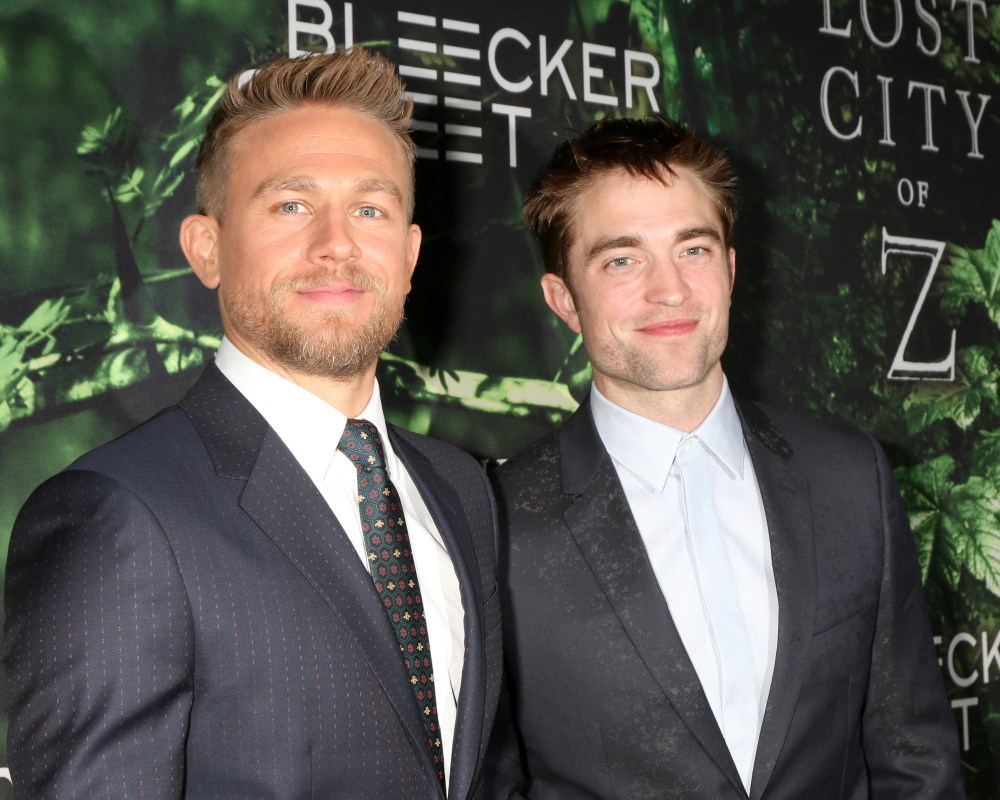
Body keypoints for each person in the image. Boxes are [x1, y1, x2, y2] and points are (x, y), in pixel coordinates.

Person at [3, 48, 509, 800]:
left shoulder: (460, 488)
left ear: (409, 256)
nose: (336, 243)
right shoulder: (116, 515)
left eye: (370, 209)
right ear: (206, 249)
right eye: (291, 206)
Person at [491, 115, 964, 799]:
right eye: (622, 259)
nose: (670, 290)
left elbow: (915, 758)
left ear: (731, 269)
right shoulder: (496, 525)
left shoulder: (850, 478)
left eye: (694, 249)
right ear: (564, 299)